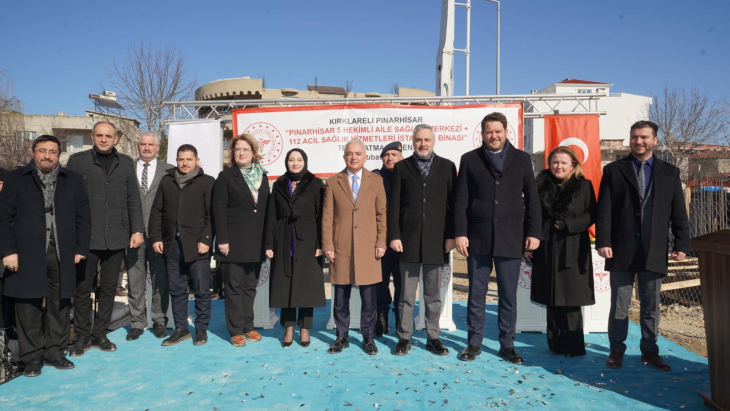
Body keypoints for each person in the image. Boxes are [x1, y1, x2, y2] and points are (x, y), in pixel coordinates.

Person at [597, 120, 690, 372]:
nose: (639, 141)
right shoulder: (614, 170)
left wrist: (682, 242)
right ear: (630, 139)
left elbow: (678, 212)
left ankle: (649, 351)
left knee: (650, 307)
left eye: (644, 137)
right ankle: (616, 350)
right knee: (619, 305)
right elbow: (604, 209)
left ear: (655, 140)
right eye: (635, 137)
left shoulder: (670, 172)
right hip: (621, 249)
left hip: (654, 250)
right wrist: (603, 241)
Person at [453, 112, 541, 364]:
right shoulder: (469, 159)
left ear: (506, 132)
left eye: (498, 131)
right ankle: (474, 342)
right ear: (482, 134)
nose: (494, 135)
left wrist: (533, 233)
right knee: (476, 294)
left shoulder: (522, 159)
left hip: (511, 237)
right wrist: (460, 232)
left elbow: (532, 200)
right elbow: (461, 200)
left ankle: (507, 344)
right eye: (489, 131)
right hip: (477, 238)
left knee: (507, 295)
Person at [0, 135, 91, 376]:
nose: (47, 156)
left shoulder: (73, 179)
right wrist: (8, 251)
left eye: (52, 151)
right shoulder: (15, 178)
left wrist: (81, 248)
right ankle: (31, 357)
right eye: (42, 150)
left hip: (62, 251)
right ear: (33, 152)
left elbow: (83, 216)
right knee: (27, 304)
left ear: (59, 154)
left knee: (60, 303)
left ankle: (54, 351)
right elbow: (3, 217)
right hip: (26, 252)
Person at [66, 122, 144, 356]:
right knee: (82, 289)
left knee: (108, 289)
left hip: (116, 237)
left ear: (116, 138)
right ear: (92, 136)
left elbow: (133, 199)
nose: (103, 139)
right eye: (99, 135)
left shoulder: (126, 163)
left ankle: (100, 333)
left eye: (108, 136)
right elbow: (68, 200)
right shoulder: (77, 162)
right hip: (86, 239)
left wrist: (137, 230)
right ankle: (81, 335)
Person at [388, 125, 457, 356]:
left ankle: (433, 337)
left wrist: (450, 236)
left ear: (434, 141)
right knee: (406, 295)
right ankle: (404, 337)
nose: (423, 144)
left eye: (427, 139)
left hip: (436, 241)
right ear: (412, 142)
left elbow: (452, 206)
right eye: (418, 140)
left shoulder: (447, 167)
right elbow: (394, 205)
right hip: (406, 240)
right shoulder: (401, 167)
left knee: (432, 295)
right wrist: (395, 235)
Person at [527, 146, 596, 357]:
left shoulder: (584, 186)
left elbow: (591, 214)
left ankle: (573, 347)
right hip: (546, 246)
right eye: (555, 162)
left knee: (571, 298)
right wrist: (529, 241)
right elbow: (532, 214)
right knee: (551, 296)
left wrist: (568, 224)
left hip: (573, 248)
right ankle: (555, 344)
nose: (559, 166)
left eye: (564, 162)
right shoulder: (540, 185)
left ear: (573, 165)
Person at [322, 140, 387, 355]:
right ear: (344, 157)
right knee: (340, 298)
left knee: (370, 299)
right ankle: (342, 336)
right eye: (349, 153)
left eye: (358, 153)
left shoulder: (376, 181)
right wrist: (328, 245)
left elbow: (381, 215)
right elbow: (327, 217)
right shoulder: (333, 182)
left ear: (365, 156)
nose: (353, 157)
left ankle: (369, 338)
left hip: (369, 248)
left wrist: (380, 242)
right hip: (341, 248)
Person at [150, 144, 215, 347]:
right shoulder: (166, 181)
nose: (184, 163)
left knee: (202, 289)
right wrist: (156, 237)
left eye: (188, 159)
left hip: (197, 246)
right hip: (172, 245)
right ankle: (181, 329)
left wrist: (205, 240)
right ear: (176, 160)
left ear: (197, 160)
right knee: (177, 289)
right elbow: (157, 212)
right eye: (181, 159)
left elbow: (211, 215)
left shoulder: (207, 182)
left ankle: (201, 329)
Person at [212, 134, 269, 347]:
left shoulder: (262, 176)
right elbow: (219, 209)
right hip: (233, 242)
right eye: (238, 150)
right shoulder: (226, 177)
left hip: (255, 242)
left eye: (246, 149)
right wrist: (222, 239)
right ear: (233, 154)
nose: (242, 153)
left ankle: (248, 326)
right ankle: (235, 330)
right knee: (234, 287)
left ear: (253, 153)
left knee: (250, 288)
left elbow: (264, 210)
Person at [265, 148, 325, 347]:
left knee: (306, 286)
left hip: (308, 239)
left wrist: (320, 244)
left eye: (299, 159)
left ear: (305, 161)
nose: (295, 163)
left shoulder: (316, 184)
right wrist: (269, 243)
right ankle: (289, 327)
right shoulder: (279, 184)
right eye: (291, 159)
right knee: (285, 285)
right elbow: (272, 215)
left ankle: (305, 327)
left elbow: (322, 216)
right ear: (286, 162)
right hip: (283, 238)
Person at [124, 132, 174, 341]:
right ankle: (137, 322)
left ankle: (159, 320)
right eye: (143, 144)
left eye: (150, 144)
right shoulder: (126, 168)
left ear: (158, 146)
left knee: (160, 279)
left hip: (159, 235)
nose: (146, 148)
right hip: (132, 234)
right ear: (138, 146)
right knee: (135, 280)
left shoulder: (169, 170)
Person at [371, 141, 404, 337]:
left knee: (402, 284)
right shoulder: (374, 177)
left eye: (394, 154)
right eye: (386, 155)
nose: (390, 158)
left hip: (402, 241)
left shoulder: (408, 175)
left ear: (401, 157)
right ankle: (381, 318)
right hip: (380, 241)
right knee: (380, 283)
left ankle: (401, 319)